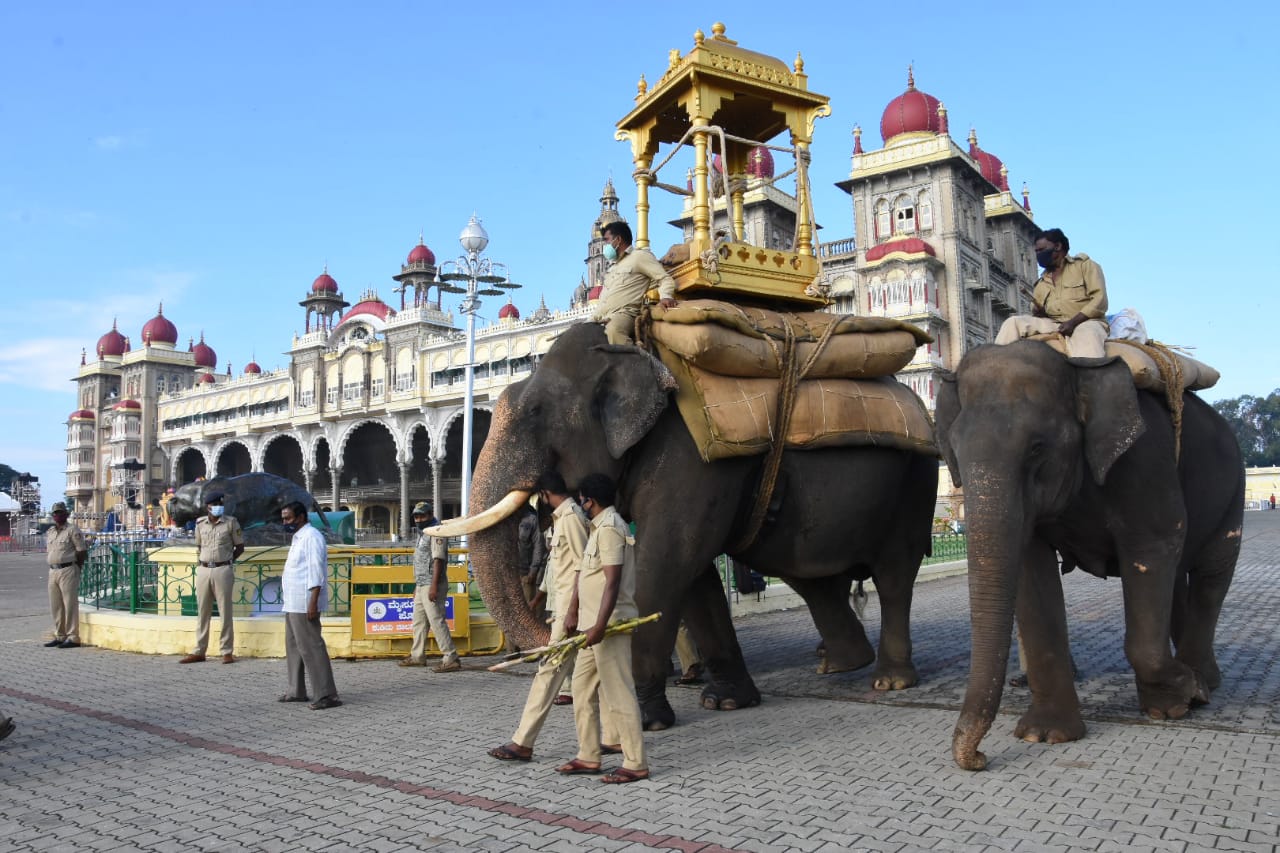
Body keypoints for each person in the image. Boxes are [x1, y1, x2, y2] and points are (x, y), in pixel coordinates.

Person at [489, 472, 621, 761]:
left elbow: (580, 568)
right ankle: (614, 737)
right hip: (570, 609)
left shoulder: (571, 518)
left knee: (548, 672)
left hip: (570, 612)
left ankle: (523, 742)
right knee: (598, 674)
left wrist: (572, 611)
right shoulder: (566, 517)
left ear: (545, 495)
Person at [557, 473, 649, 784]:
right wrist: (575, 614)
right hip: (589, 629)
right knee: (581, 690)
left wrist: (598, 626)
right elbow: (587, 577)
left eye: (581, 498)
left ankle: (635, 762)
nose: (579, 503)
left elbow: (612, 582)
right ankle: (588, 755)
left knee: (619, 692)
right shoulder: (596, 528)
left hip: (608, 628)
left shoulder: (611, 528)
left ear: (589, 501)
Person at [994, 227, 1109, 358]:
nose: (1038, 255)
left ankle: (1090, 376)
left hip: (1087, 322)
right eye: (1036, 252)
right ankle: (994, 365)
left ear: (1058, 246)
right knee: (1013, 322)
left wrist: (1072, 323)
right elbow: (1037, 312)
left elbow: (1100, 301)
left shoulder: (1084, 266)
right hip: (1054, 324)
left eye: (1042, 250)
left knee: (1087, 339)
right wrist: (1038, 312)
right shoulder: (1041, 282)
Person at [278, 502, 341, 710]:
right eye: (283, 518)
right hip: (293, 602)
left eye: (288, 518)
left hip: (305, 602)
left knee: (311, 646)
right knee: (294, 646)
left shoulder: (312, 537)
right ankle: (296, 690)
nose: (285, 522)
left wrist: (313, 601)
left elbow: (316, 571)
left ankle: (327, 694)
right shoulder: (298, 538)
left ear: (301, 517)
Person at [180, 492, 244, 664]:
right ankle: (199, 650)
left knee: (225, 611)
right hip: (203, 569)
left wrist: (228, 560)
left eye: (219, 503)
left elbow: (240, 547)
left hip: (223, 568)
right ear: (207, 506)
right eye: (214, 503)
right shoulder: (200, 524)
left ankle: (227, 651)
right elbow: (199, 546)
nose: (217, 506)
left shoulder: (231, 523)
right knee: (202, 612)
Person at [591, 221, 678, 345]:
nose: (605, 245)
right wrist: (590, 321)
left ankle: (637, 363)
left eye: (607, 240)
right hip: (603, 316)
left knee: (613, 331)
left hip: (624, 314)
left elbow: (665, 279)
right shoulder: (612, 268)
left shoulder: (640, 256)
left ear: (618, 239)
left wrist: (666, 296)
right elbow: (603, 300)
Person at [400, 501, 462, 672]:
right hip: (422, 583)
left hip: (432, 582)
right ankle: (417, 655)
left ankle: (451, 657)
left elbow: (438, 560)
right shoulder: (423, 532)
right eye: (416, 516)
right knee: (418, 622)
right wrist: (417, 586)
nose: (419, 519)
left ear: (429, 515)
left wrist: (433, 585)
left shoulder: (437, 531)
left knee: (436, 620)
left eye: (422, 515)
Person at [44, 502, 87, 649]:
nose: (57, 515)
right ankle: (60, 635)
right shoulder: (50, 532)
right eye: (55, 513)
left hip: (68, 569)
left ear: (66, 514)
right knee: (56, 605)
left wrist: (77, 567)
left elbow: (81, 551)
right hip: (53, 570)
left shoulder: (72, 530)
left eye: (60, 512)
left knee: (70, 604)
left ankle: (73, 636)